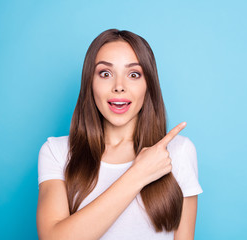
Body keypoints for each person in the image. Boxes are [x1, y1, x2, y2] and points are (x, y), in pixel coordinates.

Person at [36, 29, 203, 240]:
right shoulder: (56, 152)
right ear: (90, 83)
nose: (119, 87)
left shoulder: (178, 151)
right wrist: (139, 173)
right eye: (105, 74)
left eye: (134, 74)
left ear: (148, 85)